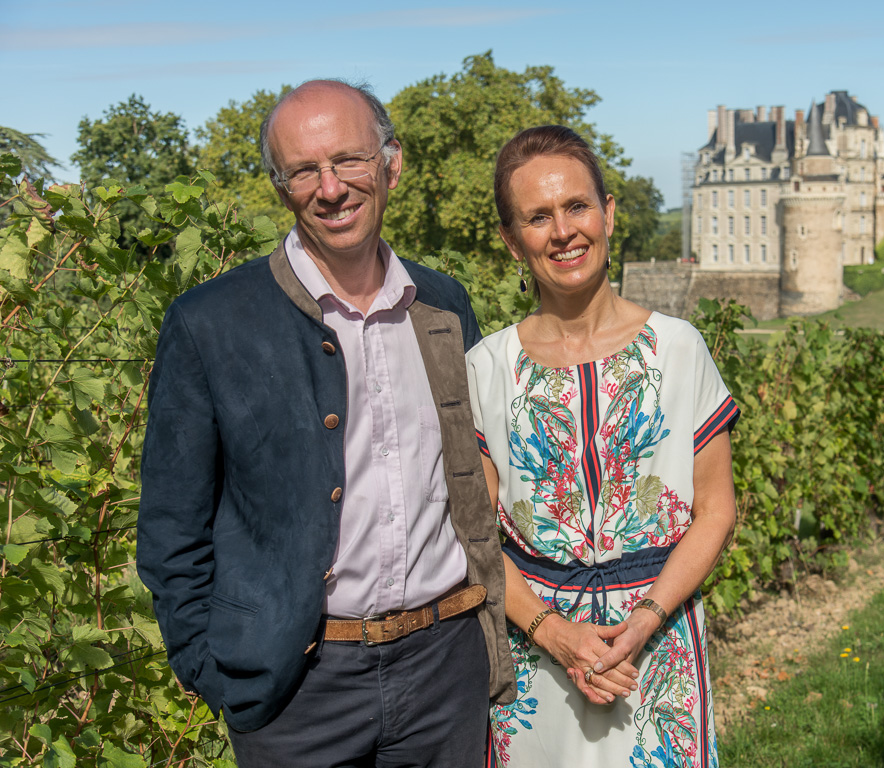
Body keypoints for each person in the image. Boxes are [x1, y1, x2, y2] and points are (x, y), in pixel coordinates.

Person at [136, 79, 514, 767]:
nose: (330, 187)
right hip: (296, 689)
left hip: (443, 670)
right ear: (280, 187)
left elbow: (477, 470)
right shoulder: (209, 322)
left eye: (348, 160)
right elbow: (171, 525)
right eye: (303, 170)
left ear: (390, 164)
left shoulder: (443, 304)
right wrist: (211, 666)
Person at [467, 125, 739, 767]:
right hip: (536, 657)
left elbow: (716, 509)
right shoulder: (486, 368)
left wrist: (643, 622)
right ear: (512, 241)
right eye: (537, 217)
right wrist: (556, 636)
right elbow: (472, 535)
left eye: (576, 206)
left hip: (657, 647)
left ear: (608, 213)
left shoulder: (678, 350)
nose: (563, 231)